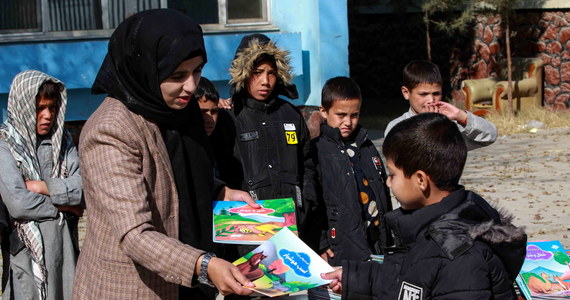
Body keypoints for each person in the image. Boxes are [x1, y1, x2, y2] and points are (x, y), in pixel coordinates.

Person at [72, 9, 259, 300]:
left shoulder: (182, 113)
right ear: (144, 68)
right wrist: (205, 265)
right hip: (134, 288)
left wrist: (223, 193)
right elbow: (135, 234)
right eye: (177, 75)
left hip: (192, 285)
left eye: (197, 70)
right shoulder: (110, 130)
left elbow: (180, 179)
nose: (192, 86)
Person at [322, 113, 527, 299]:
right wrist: (353, 278)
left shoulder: (459, 258)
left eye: (393, 175)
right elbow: (408, 277)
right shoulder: (430, 227)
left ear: (421, 180)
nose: (388, 182)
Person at [227, 33, 319, 250]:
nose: (265, 81)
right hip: (248, 230)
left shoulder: (291, 115)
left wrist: (303, 204)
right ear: (244, 73)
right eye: (257, 73)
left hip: (293, 228)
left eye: (271, 73)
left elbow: (308, 165)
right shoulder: (231, 118)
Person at [0, 70, 84, 300]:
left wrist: (42, 187)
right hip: (27, 257)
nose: (48, 115)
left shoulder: (64, 141)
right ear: (24, 107)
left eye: (52, 107)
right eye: (40, 108)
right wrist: (67, 207)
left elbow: (84, 188)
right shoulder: (5, 145)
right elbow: (19, 204)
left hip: (66, 250)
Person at [310, 77, 393, 266]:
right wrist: (321, 242)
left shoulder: (366, 145)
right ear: (324, 111)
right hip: (341, 246)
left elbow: (382, 192)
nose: (348, 122)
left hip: (376, 243)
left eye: (354, 115)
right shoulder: (316, 151)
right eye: (341, 115)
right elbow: (312, 202)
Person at [384, 60, 498, 151]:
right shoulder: (397, 127)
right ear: (406, 93)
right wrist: (425, 123)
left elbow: (490, 136)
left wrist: (461, 116)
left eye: (436, 94)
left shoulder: (450, 125)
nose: (431, 100)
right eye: (423, 94)